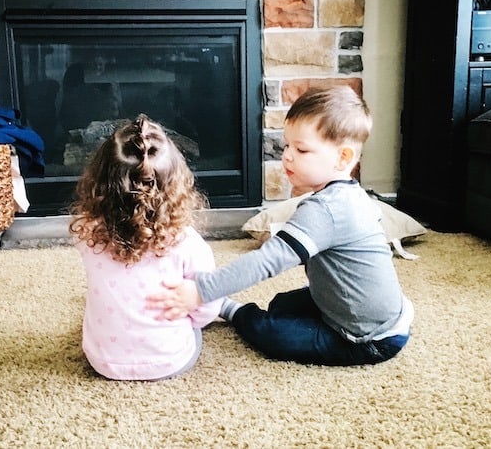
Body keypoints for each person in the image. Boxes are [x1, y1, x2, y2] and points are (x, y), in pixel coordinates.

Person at [146, 85, 414, 366]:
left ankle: (230, 310)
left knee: (269, 330)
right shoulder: (350, 194)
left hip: (365, 338)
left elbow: (267, 261)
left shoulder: (328, 209)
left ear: (343, 158)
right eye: (287, 145)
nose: (287, 155)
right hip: (355, 306)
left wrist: (202, 291)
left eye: (302, 149)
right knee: (281, 304)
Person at [69, 113, 222, 380]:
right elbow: (208, 310)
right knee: (198, 320)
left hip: (102, 361)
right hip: (170, 360)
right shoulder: (188, 243)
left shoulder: (87, 234)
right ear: (176, 185)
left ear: (99, 182)